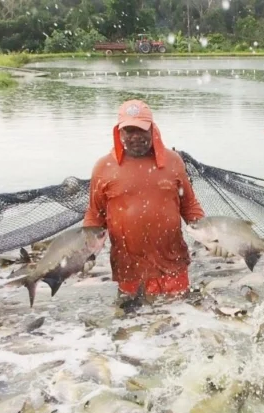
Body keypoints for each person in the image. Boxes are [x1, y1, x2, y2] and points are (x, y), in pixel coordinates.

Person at [83, 99, 206, 299]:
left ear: (153, 129)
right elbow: (95, 216)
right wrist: (87, 253)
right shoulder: (104, 167)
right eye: (129, 131)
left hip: (172, 263)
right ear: (119, 132)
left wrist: (212, 238)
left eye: (141, 130)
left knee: (177, 321)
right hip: (129, 268)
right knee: (133, 325)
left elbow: (189, 205)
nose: (136, 137)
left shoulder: (173, 161)